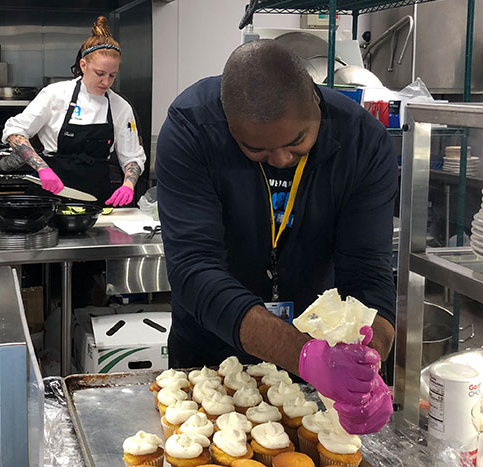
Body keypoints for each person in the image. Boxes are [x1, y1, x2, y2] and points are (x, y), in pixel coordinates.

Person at [156, 40, 396, 434]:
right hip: (210, 353)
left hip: (323, 358)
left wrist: (369, 362)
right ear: (229, 124)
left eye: (297, 142)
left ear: (316, 105)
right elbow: (194, 270)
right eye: (256, 149)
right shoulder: (191, 128)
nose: (282, 158)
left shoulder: (362, 142)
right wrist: (300, 354)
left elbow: (368, 269)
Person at [0, 16, 146, 207]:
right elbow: (15, 132)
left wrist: (128, 185)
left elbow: (132, 156)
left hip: (94, 199)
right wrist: (42, 169)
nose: (106, 82)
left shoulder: (120, 106)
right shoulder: (55, 94)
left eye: (112, 75)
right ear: (83, 65)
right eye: (100, 74)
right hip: (50, 195)